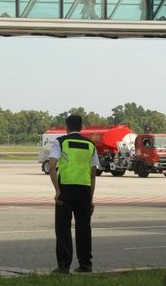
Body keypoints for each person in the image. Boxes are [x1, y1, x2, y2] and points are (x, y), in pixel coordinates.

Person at [48, 114, 99, 274]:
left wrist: (57, 190)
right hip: (84, 190)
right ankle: (85, 265)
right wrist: (90, 198)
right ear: (81, 127)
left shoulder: (61, 142)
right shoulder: (91, 145)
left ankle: (64, 266)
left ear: (66, 127)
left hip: (66, 189)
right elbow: (93, 174)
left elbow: (51, 165)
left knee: (63, 228)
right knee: (84, 228)